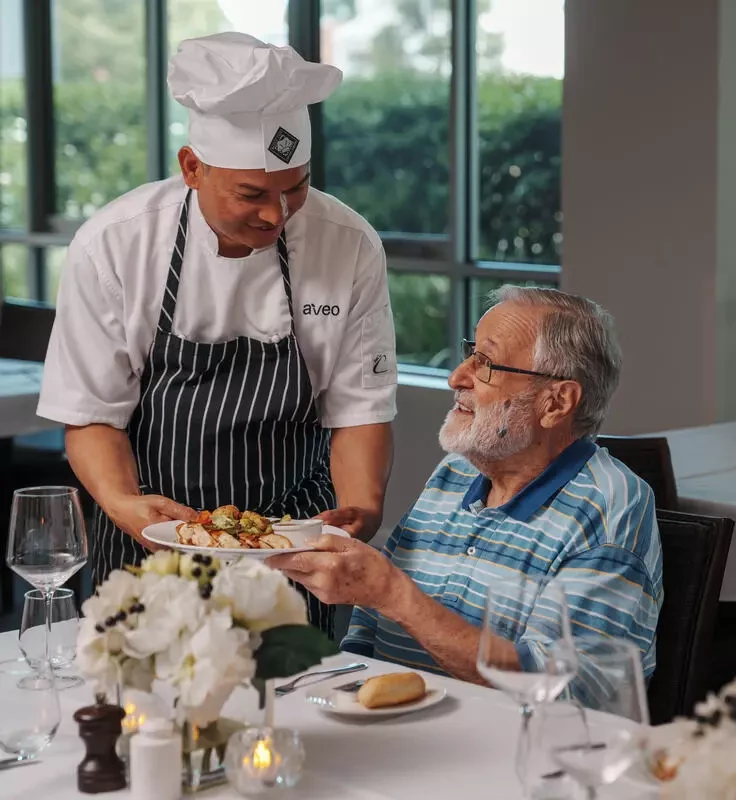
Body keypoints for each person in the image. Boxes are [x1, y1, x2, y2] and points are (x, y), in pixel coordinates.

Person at [37, 33, 397, 637]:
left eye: (297, 187)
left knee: (289, 690)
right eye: (252, 194)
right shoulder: (116, 243)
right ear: (192, 167)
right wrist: (124, 505)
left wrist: (361, 507)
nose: (277, 215)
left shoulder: (349, 243)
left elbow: (359, 405)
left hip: (289, 542)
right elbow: (91, 411)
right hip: (150, 536)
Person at [269, 287, 663, 702]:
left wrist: (393, 593)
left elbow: (566, 694)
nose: (456, 376)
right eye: (470, 353)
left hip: (509, 741)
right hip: (392, 729)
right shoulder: (455, 472)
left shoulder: (609, 506)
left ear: (556, 402)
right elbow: (369, 632)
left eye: (486, 363)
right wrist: (346, 698)